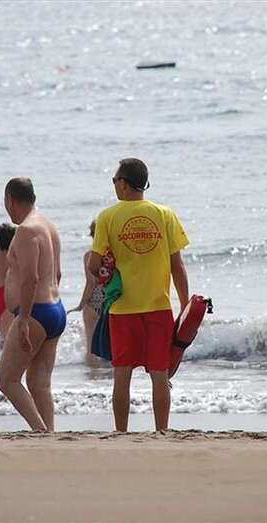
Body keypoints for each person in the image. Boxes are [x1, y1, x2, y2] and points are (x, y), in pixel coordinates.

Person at [89, 158, 190, 432]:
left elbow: (93, 265)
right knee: (159, 374)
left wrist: (108, 264)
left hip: (122, 309)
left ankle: (121, 431)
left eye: (114, 180)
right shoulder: (164, 214)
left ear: (123, 183)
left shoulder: (107, 217)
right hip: (158, 307)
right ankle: (162, 431)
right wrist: (184, 304)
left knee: (121, 375)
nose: (114, 185)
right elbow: (177, 265)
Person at [0, 177, 66, 432]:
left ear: (10, 201)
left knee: (6, 379)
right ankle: (50, 433)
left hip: (35, 313)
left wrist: (23, 319)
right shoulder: (49, 226)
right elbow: (57, 274)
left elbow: (30, 278)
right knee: (39, 384)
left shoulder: (26, 230)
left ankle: (40, 431)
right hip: (55, 310)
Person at [67, 220, 105, 364]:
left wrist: (81, 305)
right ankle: (110, 376)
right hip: (113, 300)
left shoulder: (89, 256)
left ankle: (93, 378)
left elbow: (91, 283)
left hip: (95, 300)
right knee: (113, 345)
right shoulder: (115, 255)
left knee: (91, 348)